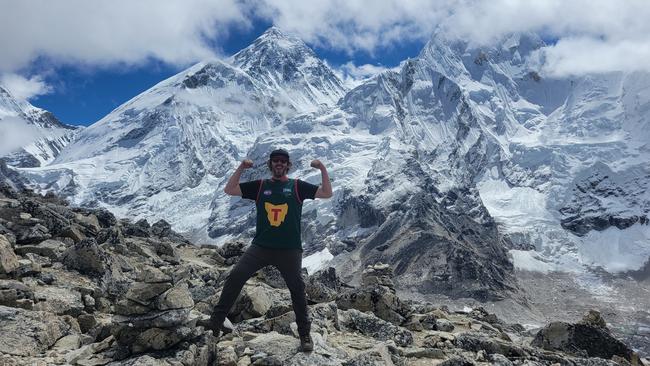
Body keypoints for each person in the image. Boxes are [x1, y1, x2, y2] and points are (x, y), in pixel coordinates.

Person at [208, 148, 333, 352]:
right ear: (270, 164)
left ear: (288, 165)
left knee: (298, 291)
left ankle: (304, 335)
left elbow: (327, 194)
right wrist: (241, 167)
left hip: (289, 250)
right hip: (261, 247)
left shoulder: (297, 186)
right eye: (275, 161)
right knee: (236, 276)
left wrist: (322, 168)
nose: (279, 164)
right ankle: (216, 322)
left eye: (283, 161)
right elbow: (230, 190)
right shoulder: (260, 186)